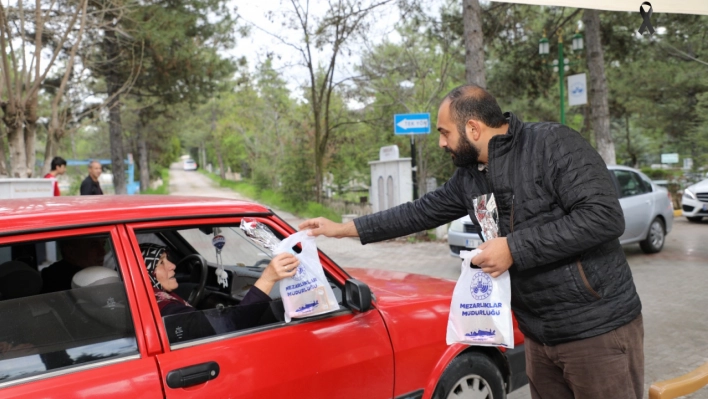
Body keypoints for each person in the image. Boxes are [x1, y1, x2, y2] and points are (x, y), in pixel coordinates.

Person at [299, 85, 643, 399]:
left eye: (445, 133)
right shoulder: (469, 178)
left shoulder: (553, 144)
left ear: (474, 128)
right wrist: (341, 229)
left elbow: (603, 216)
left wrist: (513, 248)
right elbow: (416, 213)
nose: (441, 142)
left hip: (597, 330)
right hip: (539, 336)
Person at [140, 243, 298, 342]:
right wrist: (267, 279)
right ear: (145, 274)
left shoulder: (149, 299)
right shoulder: (168, 312)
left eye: (167, 259)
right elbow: (231, 325)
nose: (172, 266)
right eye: (161, 263)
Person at [41, 237, 107, 293]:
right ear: (70, 252)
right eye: (94, 246)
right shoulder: (55, 280)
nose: (103, 252)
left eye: (103, 244)